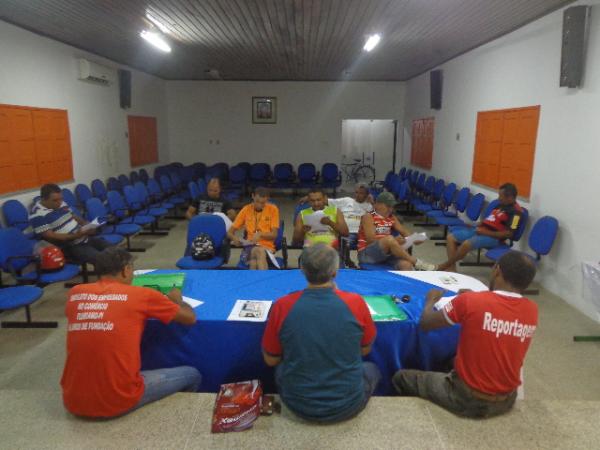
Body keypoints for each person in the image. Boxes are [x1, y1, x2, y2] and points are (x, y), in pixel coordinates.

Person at [393, 251, 538, 418]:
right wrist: (476, 298)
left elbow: (426, 324)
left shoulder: (471, 302)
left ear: (497, 270)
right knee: (450, 359)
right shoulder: (532, 310)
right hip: (507, 399)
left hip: (468, 398)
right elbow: (499, 309)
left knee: (401, 377)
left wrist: (430, 301)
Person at [61, 247, 200, 419]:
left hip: (72, 400)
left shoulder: (76, 293)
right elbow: (189, 318)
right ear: (126, 270)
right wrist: (178, 301)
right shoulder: (141, 294)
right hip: (117, 401)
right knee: (192, 374)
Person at [262, 244, 381, 422]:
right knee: (372, 369)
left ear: (302, 270)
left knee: (281, 370)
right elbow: (364, 350)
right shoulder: (356, 302)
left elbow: (271, 359)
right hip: (348, 404)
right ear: (335, 272)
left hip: (298, 405)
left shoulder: (282, 305)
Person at [437, 183, 523, 271]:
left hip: (494, 238)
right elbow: (491, 220)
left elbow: (508, 234)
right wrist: (476, 224)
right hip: (480, 230)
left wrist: (485, 232)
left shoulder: (516, 213)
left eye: (501, 196)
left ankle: (445, 265)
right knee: (450, 237)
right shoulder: (500, 205)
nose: (498, 198)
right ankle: (452, 269)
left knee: (467, 244)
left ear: (510, 197)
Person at [29, 183, 113, 265]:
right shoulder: (37, 214)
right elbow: (50, 236)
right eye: (55, 200)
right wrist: (75, 236)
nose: (59, 202)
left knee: (115, 251)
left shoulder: (61, 203)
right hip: (70, 246)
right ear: (43, 199)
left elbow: (74, 216)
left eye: (61, 199)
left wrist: (87, 225)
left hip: (83, 237)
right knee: (104, 260)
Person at [357, 191, 436, 270]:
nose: (390, 209)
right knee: (390, 239)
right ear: (378, 204)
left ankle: (410, 270)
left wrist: (415, 238)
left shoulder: (392, 218)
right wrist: (393, 241)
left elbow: (405, 233)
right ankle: (416, 262)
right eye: (388, 206)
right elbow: (371, 240)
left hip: (386, 255)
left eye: (392, 206)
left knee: (406, 265)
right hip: (367, 254)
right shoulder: (368, 217)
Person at [228, 187, 280, 270]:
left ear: (267, 200)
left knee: (254, 261)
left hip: (267, 248)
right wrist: (234, 239)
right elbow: (230, 232)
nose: (259, 205)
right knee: (258, 252)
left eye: (263, 203)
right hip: (250, 246)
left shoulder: (273, 209)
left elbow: (274, 235)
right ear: (253, 196)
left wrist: (260, 234)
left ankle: (256, 281)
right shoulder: (246, 210)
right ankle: (264, 281)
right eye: (257, 201)